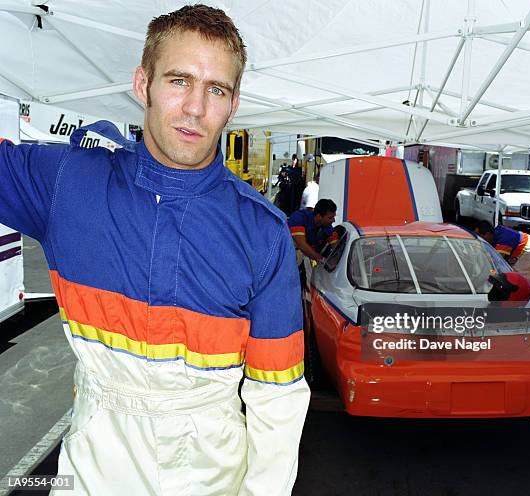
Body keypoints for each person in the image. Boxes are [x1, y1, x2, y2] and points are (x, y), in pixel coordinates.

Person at [0, 5, 309, 496]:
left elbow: (279, 398)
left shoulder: (262, 232)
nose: (195, 108)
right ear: (142, 84)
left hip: (211, 477)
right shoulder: (67, 181)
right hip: (90, 467)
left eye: (216, 89)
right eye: (179, 80)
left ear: (232, 104)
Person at [474, 221, 530, 304]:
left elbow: (495, 266)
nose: (479, 241)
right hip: (528, 271)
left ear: (487, 234)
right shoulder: (492, 242)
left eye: (480, 237)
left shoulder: (504, 237)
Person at [288, 199, 338, 264]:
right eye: (330, 218)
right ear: (319, 216)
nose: (334, 220)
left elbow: (336, 247)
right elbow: (301, 245)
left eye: (334, 217)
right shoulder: (299, 218)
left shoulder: (326, 226)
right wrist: (322, 259)